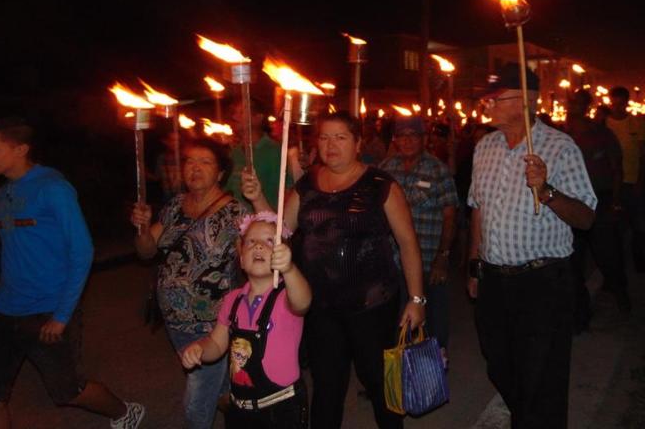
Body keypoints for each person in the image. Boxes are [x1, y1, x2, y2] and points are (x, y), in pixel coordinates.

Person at [242, 110, 425, 429]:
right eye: (324, 137)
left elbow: (408, 243)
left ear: (357, 144)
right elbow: (279, 229)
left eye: (340, 137)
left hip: (372, 305)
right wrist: (258, 199)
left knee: (379, 383)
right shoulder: (307, 184)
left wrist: (417, 299)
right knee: (327, 387)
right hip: (321, 307)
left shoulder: (381, 185)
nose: (331, 145)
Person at [0, 117, 144, 429]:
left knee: (66, 390)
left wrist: (62, 315)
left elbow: (82, 251)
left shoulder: (53, 188)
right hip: (2, 310)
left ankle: (124, 412)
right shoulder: (2, 194)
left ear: (20, 149)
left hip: (47, 309)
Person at [466, 65, 596, 429]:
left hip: (542, 282)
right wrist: (474, 266)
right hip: (494, 280)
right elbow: (478, 209)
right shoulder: (484, 147)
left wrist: (547, 191)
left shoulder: (558, 147)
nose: (487, 104)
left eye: (496, 98)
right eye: (487, 97)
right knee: (500, 363)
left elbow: (585, 217)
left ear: (525, 102)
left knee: (542, 376)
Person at [131, 137, 243, 429]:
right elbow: (146, 251)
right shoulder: (175, 206)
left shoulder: (234, 213)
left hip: (212, 321)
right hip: (175, 319)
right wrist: (142, 228)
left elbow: (255, 256)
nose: (195, 167)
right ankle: (243, 414)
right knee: (217, 389)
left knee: (196, 402)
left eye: (205, 162)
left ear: (220, 173)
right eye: (190, 161)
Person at [180, 212, 312, 429]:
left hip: (281, 408)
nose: (258, 246)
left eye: (269, 241)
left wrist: (289, 269)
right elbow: (217, 343)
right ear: (241, 259)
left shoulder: (286, 297)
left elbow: (304, 301)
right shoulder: (232, 300)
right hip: (240, 408)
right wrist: (200, 349)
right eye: (251, 241)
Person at [379, 116, 459, 364]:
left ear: (423, 139)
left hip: (427, 261)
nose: (408, 141)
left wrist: (443, 257)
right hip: (391, 263)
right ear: (395, 140)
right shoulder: (385, 169)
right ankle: (395, 376)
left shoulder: (438, 170)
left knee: (432, 322)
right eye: (402, 136)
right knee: (393, 322)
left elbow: (450, 215)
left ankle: (430, 374)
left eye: (413, 136)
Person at [564, 91, 629, 331]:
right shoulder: (563, 136)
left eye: (578, 103)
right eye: (571, 102)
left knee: (607, 253)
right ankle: (580, 316)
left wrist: (616, 200)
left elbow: (616, 168)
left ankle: (621, 293)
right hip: (572, 203)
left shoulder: (601, 134)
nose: (573, 107)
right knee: (572, 262)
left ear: (587, 106)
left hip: (599, 202)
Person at [605, 86, 645, 272]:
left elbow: (644, 156)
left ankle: (638, 257)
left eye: (621, 103)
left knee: (639, 225)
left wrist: (641, 181)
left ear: (626, 103)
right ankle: (617, 265)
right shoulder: (604, 124)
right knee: (615, 228)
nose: (617, 107)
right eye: (614, 103)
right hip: (611, 184)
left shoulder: (638, 124)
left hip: (632, 182)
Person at [225, 97, 291, 212]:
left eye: (241, 112)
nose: (235, 117)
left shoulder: (274, 152)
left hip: (262, 221)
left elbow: (287, 192)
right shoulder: (234, 153)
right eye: (235, 113)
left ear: (258, 118)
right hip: (233, 222)